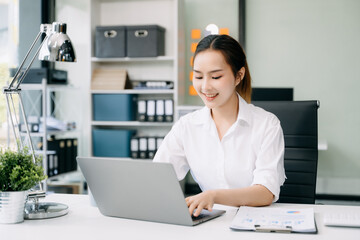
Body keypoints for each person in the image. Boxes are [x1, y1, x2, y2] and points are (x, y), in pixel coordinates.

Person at [153, 34, 286, 217]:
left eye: (215, 77)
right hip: (210, 222)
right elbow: (158, 178)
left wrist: (213, 196)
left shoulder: (267, 124)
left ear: (239, 76)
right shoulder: (186, 126)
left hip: (255, 221)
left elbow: (265, 193)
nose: (205, 87)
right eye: (198, 76)